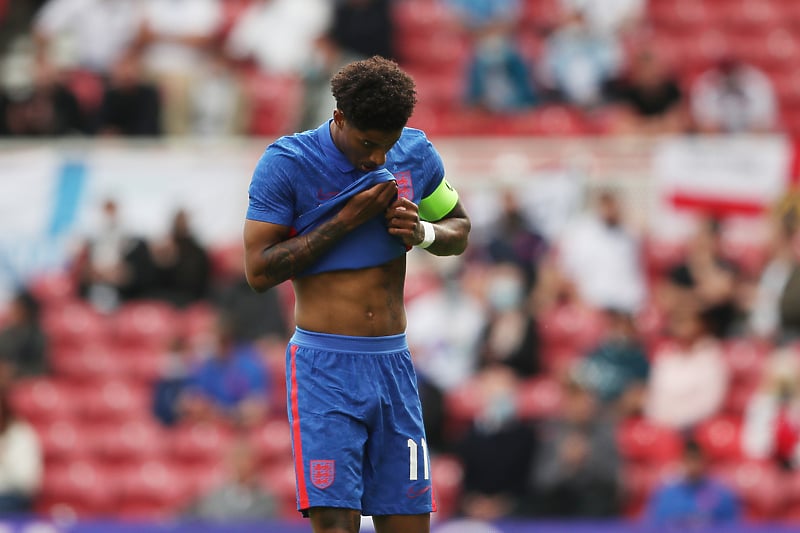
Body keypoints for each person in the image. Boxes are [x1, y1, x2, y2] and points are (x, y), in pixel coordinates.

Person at [243, 56, 471, 533]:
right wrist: (345, 221)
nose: (376, 159)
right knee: (335, 525)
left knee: (409, 523)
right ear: (340, 118)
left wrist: (424, 232)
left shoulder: (415, 153)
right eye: (367, 144)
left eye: (386, 147)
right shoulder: (288, 163)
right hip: (325, 368)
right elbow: (259, 271)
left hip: (394, 366)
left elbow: (460, 229)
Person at [646, 437, 741, 527]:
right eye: (689, 459)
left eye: (696, 459)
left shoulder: (721, 494)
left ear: (705, 461)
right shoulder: (665, 496)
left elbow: (733, 527)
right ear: (682, 461)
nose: (693, 465)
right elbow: (655, 526)